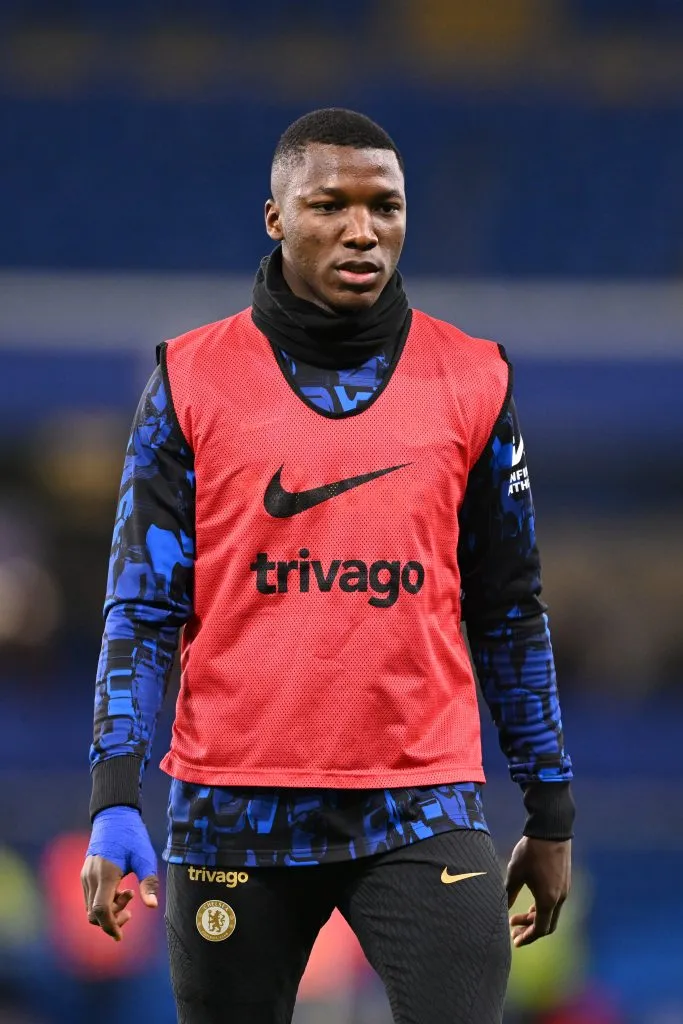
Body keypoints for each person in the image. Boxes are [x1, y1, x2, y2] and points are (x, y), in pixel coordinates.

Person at [81, 108, 574, 1024]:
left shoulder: (473, 380)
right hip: (233, 809)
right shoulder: (190, 381)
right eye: (330, 205)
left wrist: (549, 811)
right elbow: (141, 608)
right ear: (275, 218)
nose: (362, 229)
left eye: (384, 206)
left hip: (421, 808)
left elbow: (512, 610)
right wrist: (115, 800)